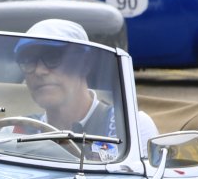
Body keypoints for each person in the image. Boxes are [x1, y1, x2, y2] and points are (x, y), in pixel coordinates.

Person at [18, 19, 159, 160]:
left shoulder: (131, 128)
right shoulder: (18, 131)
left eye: (52, 57)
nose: (39, 71)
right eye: (28, 60)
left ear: (84, 64)